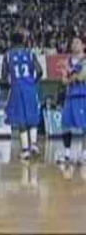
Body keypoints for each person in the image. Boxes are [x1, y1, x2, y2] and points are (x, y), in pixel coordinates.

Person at [1, 31, 43, 161]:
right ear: (23, 41)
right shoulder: (30, 53)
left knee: (21, 119)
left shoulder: (8, 55)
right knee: (33, 115)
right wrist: (33, 82)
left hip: (17, 88)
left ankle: (25, 150)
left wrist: (10, 81)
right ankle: (34, 145)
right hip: (30, 87)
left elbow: (3, 75)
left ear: (11, 42)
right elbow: (40, 71)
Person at [57, 36, 86, 165]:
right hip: (69, 96)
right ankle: (67, 154)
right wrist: (70, 77)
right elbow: (64, 80)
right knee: (65, 125)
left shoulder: (84, 60)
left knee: (84, 126)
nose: (74, 44)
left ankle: (83, 155)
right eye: (73, 42)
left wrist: (70, 74)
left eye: (77, 42)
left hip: (82, 96)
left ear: (83, 46)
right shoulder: (67, 60)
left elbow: (81, 77)